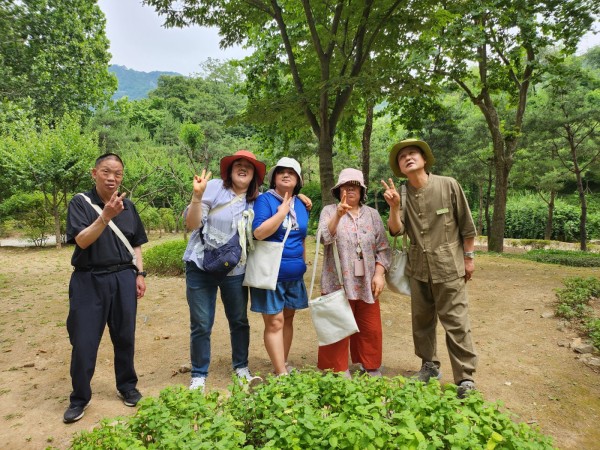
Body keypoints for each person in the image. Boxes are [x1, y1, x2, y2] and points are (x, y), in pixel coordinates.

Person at [381, 138, 478, 398]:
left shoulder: (448, 185)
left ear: (424, 159)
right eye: (402, 157)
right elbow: (396, 230)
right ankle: (429, 366)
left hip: (449, 266)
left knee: (456, 321)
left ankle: (465, 377)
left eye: (413, 153)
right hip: (418, 268)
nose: (408, 158)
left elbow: (467, 227)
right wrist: (394, 208)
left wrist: (468, 258)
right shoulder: (400, 193)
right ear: (400, 168)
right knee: (421, 322)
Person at [63, 153, 148, 424]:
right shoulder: (80, 203)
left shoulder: (129, 206)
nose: (112, 178)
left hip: (123, 276)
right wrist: (106, 216)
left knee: (125, 336)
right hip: (89, 279)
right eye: (106, 172)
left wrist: (140, 272)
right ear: (94, 173)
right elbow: (83, 241)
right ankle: (79, 397)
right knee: (84, 340)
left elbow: (135, 243)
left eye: (118, 173)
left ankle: (127, 386)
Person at [183, 150, 266, 392]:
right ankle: (199, 374)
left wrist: (301, 199)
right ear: (229, 171)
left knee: (239, 320)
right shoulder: (215, 188)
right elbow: (192, 224)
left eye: (248, 167)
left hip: (235, 270)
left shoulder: (257, 200)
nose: (242, 168)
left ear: (254, 176)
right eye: (237, 165)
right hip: (201, 265)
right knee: (201, 322)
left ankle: (241, 366)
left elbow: (281, 199)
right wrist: (197, 198)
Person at [317, 168, 391, 378]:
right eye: (345, 185)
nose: (349, 189)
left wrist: (379, 273)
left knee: (370, 326)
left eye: (354, 185)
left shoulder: (372, 214)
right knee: (337, 322)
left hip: (367, 280)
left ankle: (370, 364)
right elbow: (324, 239)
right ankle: (337, 367)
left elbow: (383, 247)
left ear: (361, 190)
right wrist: (339, 216)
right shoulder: (329, 211)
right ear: (338, 189)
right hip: (338, 280)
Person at [250, 157, 310, 376]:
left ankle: (281, 364)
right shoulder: (265, 200)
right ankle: (281, 372)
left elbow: (302, 237)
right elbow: (259, 232)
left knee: (288, 318)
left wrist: (303, 262)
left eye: (291, 172)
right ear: (274, 177)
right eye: (281, 172)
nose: (286, 175)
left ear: (298, 180)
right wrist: (281, 213)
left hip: (294, 274)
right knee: (275, 322)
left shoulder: (302, 204)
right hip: (271, 274)